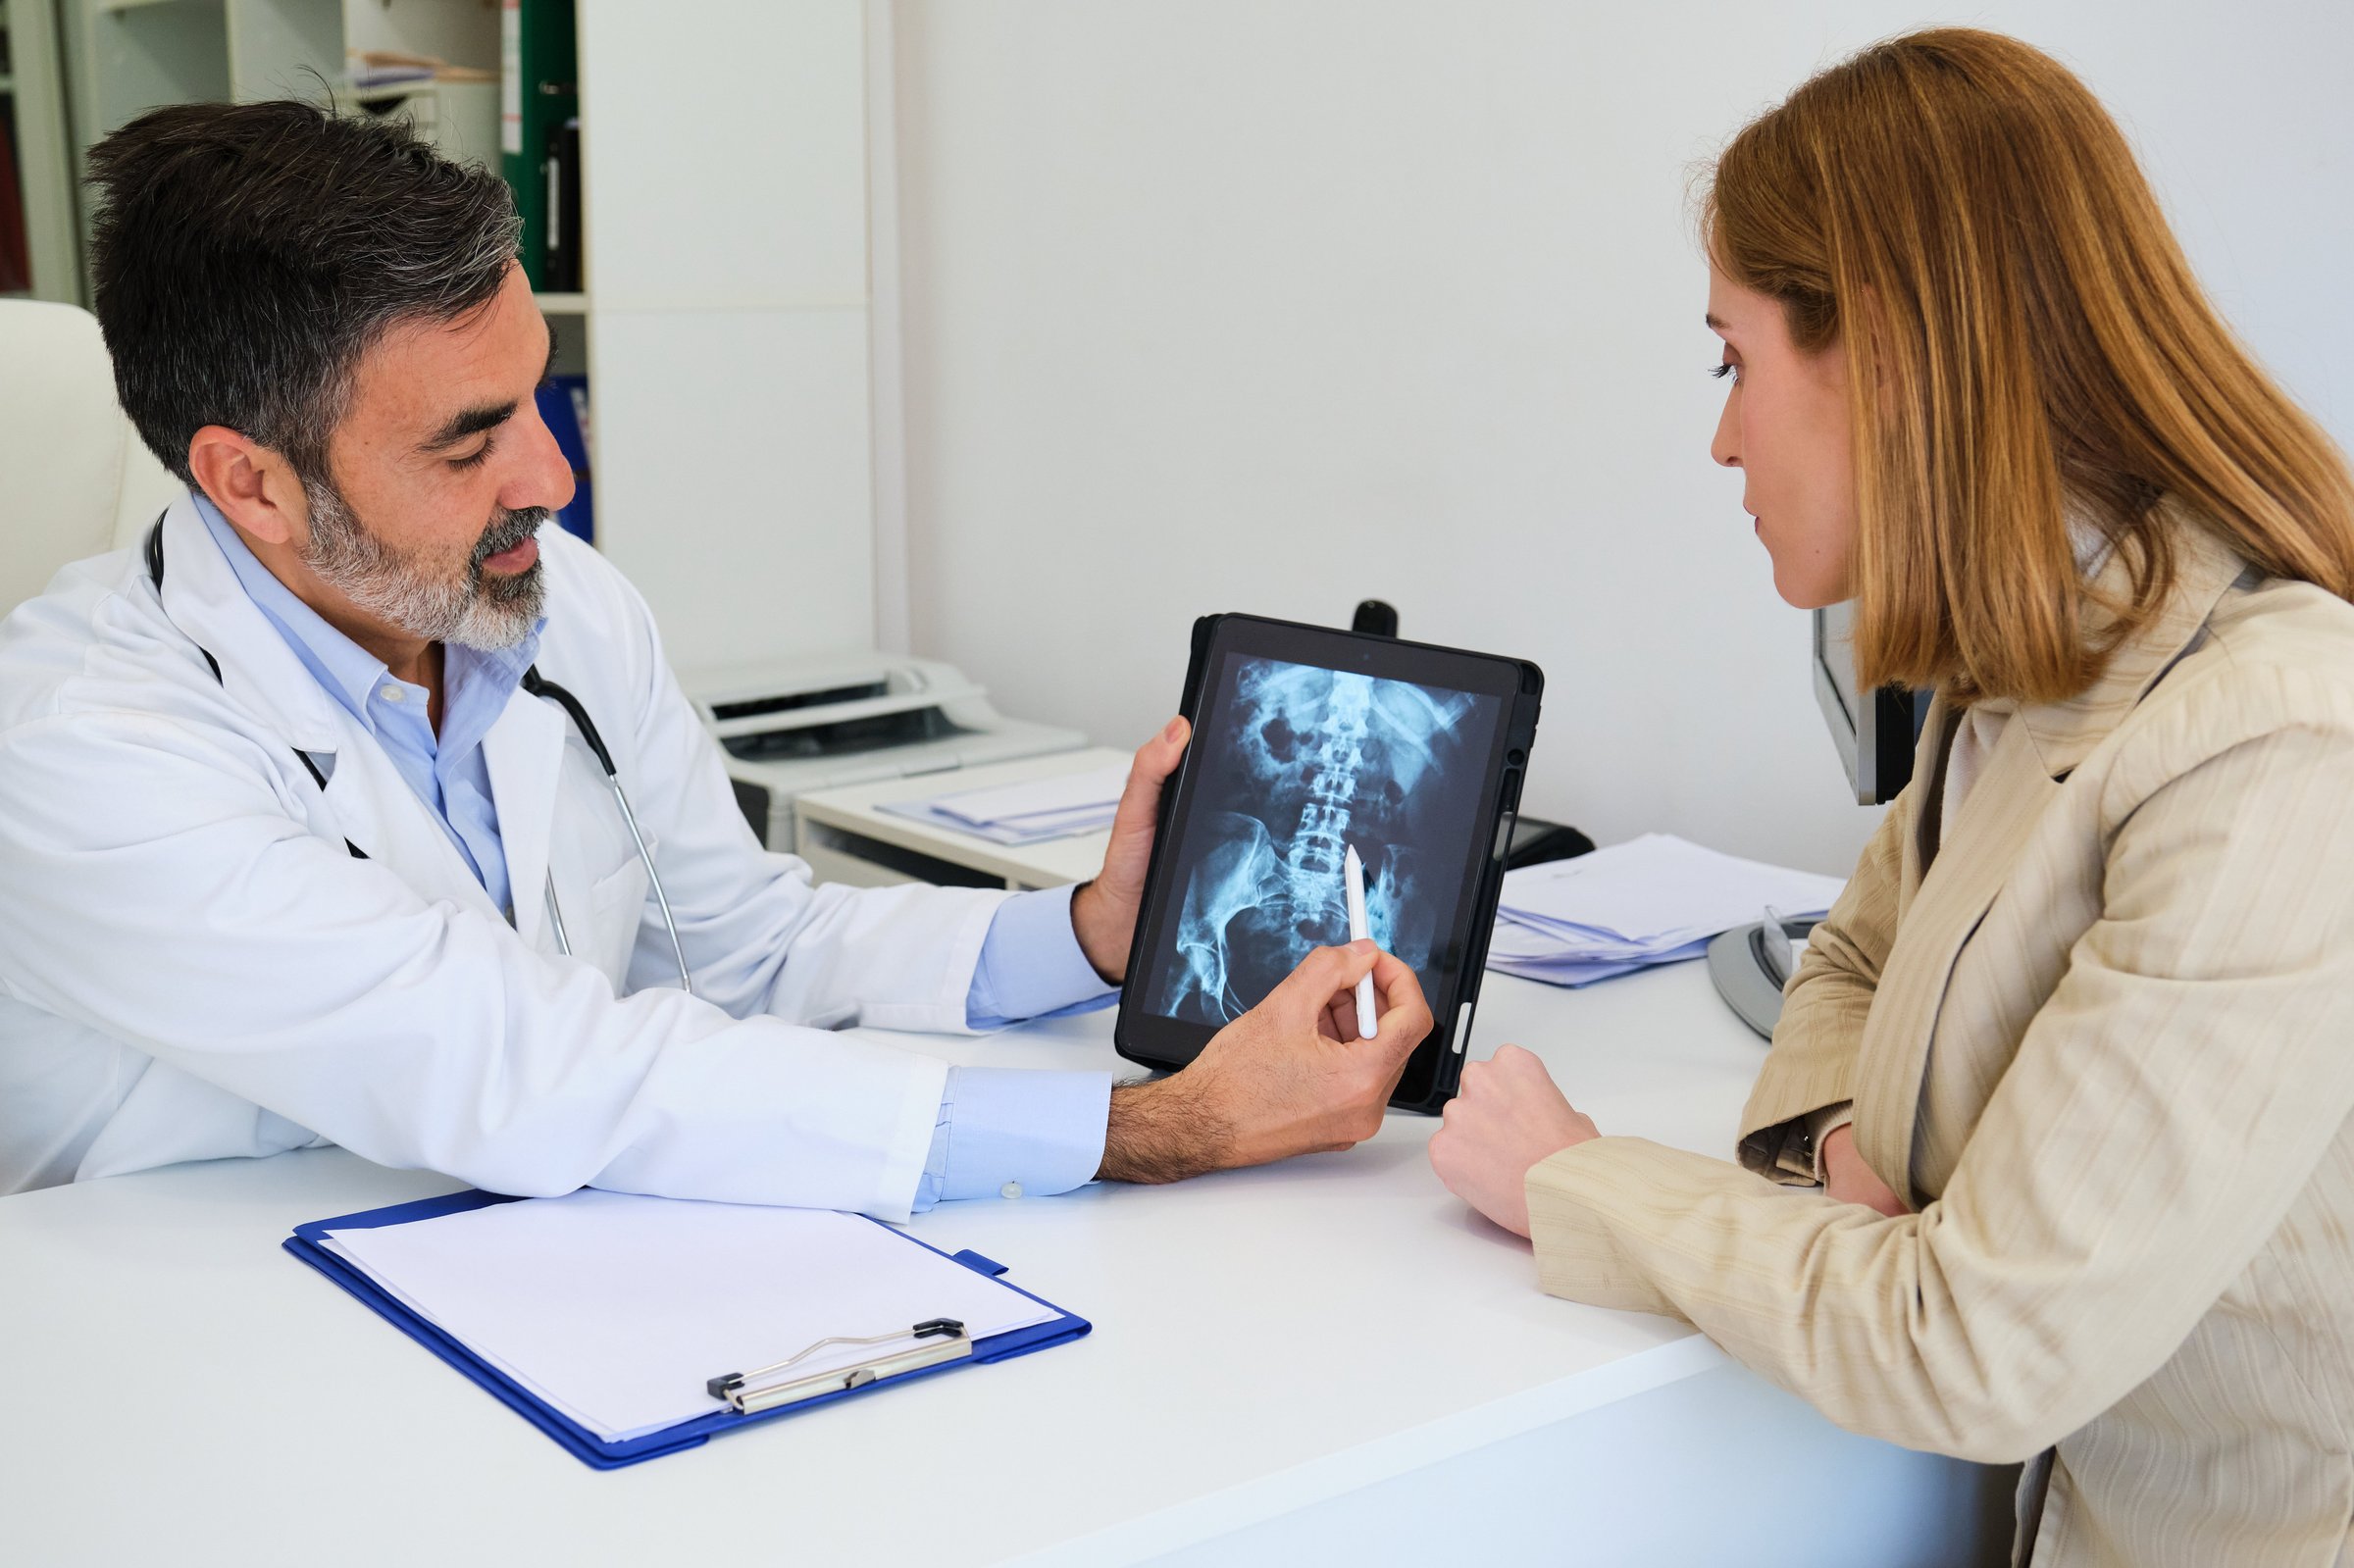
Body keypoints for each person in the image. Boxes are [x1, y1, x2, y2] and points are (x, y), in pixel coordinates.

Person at [0, 101, 1432, 1215]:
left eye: (536, 399)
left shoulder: (548, 605)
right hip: (223, 1341)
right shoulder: (79, 751)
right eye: (470, 442)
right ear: (250, 483)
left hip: (539, 1260)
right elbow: (531, 1068)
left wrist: (1086, 937)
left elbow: (742, 952)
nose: (553, 480)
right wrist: (1161, 1128)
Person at [1426, 28, 2354, 1567]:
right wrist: (1866, 1151)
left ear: (1890, 357)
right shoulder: (2026, 674)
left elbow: (1979, 1347)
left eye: (1734, 361)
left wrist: (1574, 1182)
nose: (1722, 437)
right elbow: (1848, 960)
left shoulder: (2276, 745)